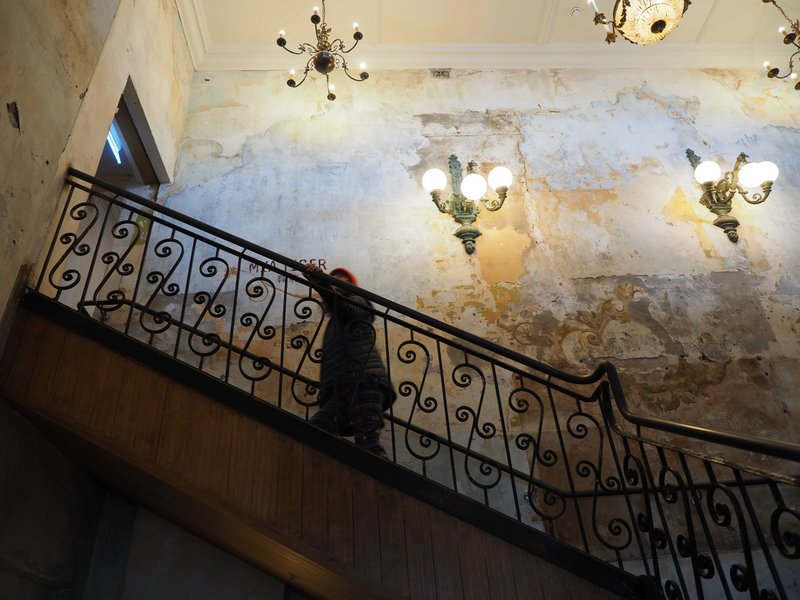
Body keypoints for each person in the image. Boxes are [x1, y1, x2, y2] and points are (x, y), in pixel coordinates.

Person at [303, 264, 395, 458]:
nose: (336, 283)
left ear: (350, 286)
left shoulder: (359, 301)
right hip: (344, 385)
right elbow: (337, 306)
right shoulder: (335, 319)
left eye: (340, 280)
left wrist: (322, 284)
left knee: (369, 443)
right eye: (333, 279)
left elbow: (347, 310)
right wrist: (320, 283)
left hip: (364, 382)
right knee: (316, 429)